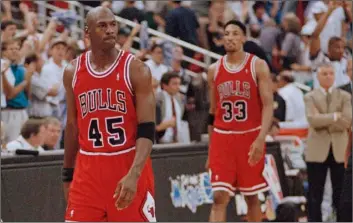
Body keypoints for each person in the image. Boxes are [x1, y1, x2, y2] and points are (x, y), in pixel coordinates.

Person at [62, 6, 156, 222]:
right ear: (87, 32)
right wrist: (67, 174)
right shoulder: (72, 72)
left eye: (113, 24)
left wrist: (134, 174)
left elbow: (147, 128)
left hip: (126, 163)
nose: (110, 30)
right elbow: (72, 126)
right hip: (88, 170)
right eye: (102, 26)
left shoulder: (136, 69)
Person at [206, 20, 274, 222]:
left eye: (235, 33)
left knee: (251, 196)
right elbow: (212, 112)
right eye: (226, 33)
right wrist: (210, 150)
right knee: (219, 197)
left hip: (249, 137)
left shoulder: (258, 65)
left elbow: (268, 105)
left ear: (243, 38)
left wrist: (261, 138)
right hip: (222, 138)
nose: (230, 37)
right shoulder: (213, 69)